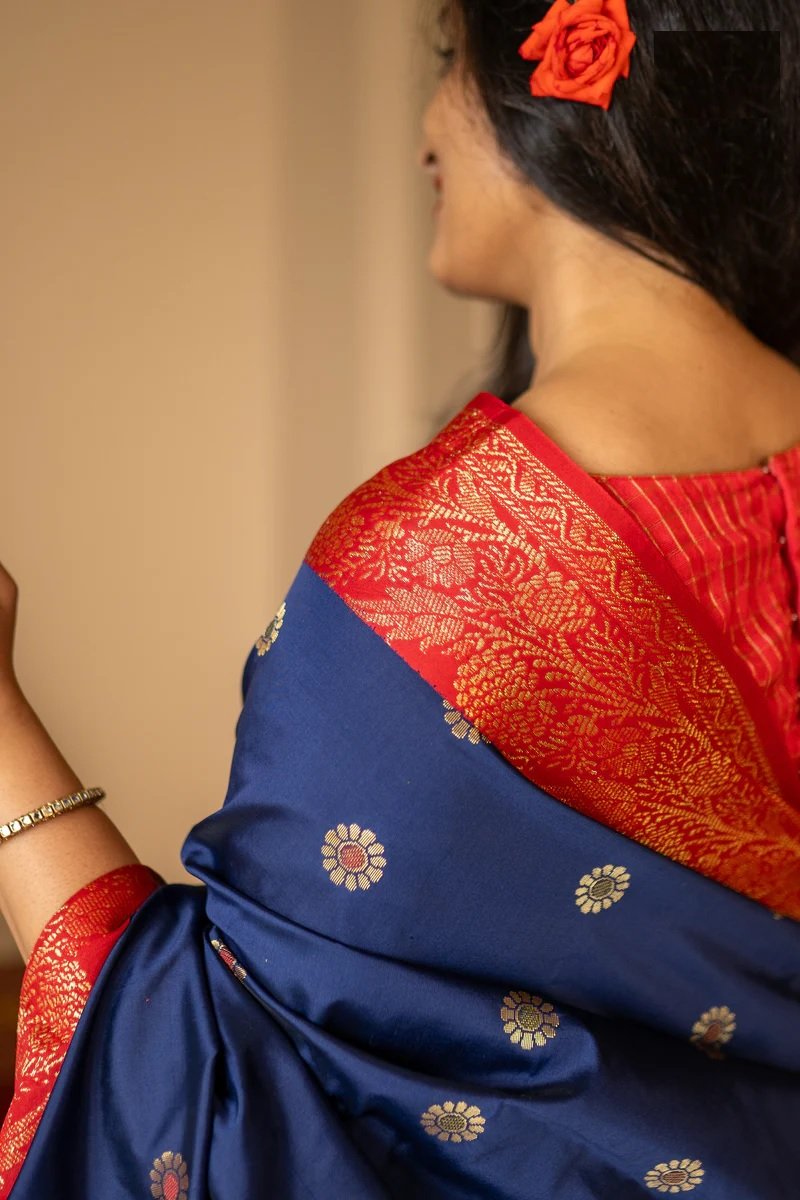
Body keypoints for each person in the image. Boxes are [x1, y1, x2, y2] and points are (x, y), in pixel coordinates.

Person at [0, 0, 798, 1195]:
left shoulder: (446, 566)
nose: (427, 125)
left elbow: (218, 1095)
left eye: (444, 64)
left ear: (560, 86)